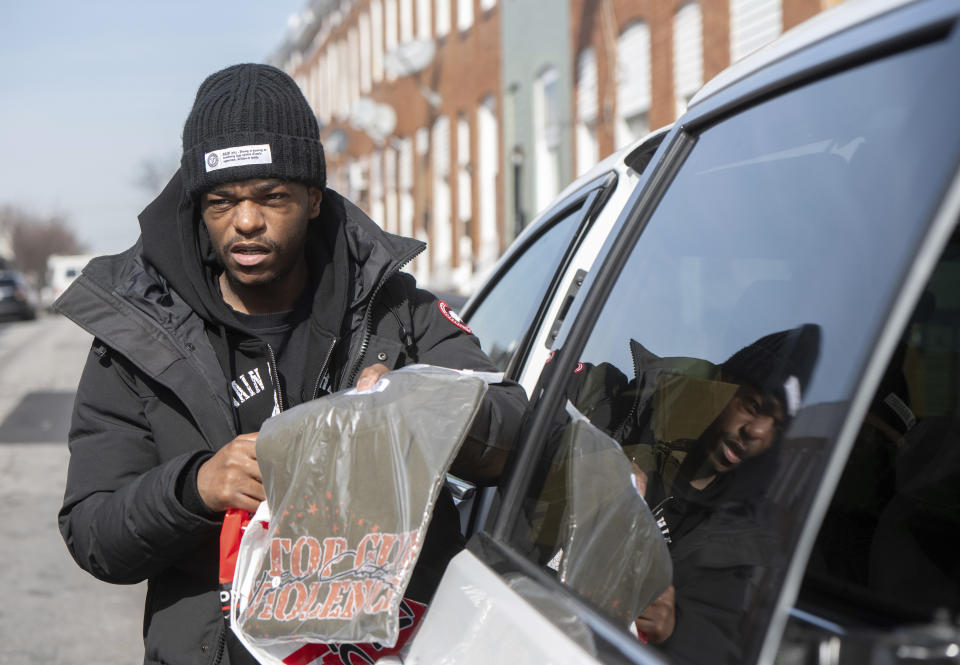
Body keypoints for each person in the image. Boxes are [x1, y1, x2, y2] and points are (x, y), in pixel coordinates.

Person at [55, 63, 527, 665]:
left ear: (311, 198)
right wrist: (197, 487)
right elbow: (94, 534)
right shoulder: (136, 341)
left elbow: (513, 428)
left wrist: (420, 406)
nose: (246, 221)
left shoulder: (395, 312)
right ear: (199, 207)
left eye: (271, 196)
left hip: (392, 647)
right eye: (222, 201)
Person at [557, 324, 820, 663]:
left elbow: (730, 643)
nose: (756, 431)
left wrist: (674, 628)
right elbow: (534, 393)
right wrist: (595, 455)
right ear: (721, 385)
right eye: (753, 406)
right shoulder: (622, 409)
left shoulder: (747, 535)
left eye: (777, 425)